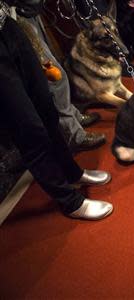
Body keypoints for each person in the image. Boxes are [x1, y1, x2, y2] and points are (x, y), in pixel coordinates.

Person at [0, 0, 113, 220]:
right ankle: (69, 201)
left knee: (48, 110)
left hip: (8, 26)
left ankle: (72, 172)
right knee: (29, 130)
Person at [19, 16, 106, 152]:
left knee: (54, 65)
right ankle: (73, 134)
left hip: (26, 12)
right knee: (55, 78)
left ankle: (73, 117)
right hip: (14, 17)